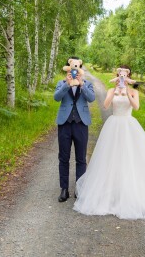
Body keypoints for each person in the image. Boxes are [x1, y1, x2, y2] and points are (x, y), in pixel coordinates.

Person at [73, 65, 145, 219]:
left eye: (124, 74)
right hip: (113, 124)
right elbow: (106, 105)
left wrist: (127, 92)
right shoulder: (110, 90)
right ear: (116, 75)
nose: (121, 76)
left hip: (129, 124)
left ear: (128, 76)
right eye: (119, 74)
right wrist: (114, 91)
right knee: (112, 158)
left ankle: (131, 191)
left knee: (131, 157)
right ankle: (112, 191)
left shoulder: (134, 91)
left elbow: (136, 107)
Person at [53, 56, 96, 202]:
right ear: (68, 68)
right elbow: (56, 98)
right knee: (63, 157)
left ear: (80, 68)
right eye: (72, 68)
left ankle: (80, 188)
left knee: (81, 158)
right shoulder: (61, 82)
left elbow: (91, 99)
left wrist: (82, 84)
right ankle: (64, 189)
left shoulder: (87, 83)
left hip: (81, 123)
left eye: (77, 68)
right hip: (64, 123)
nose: (75, 71)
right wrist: (67, 83)